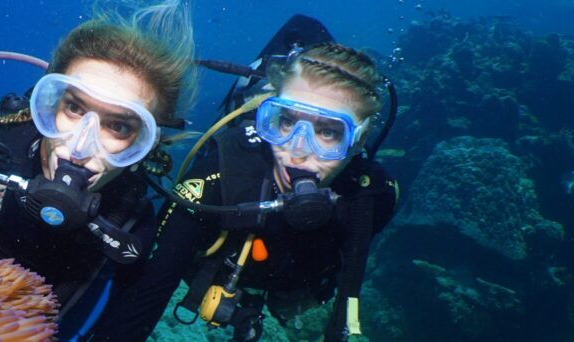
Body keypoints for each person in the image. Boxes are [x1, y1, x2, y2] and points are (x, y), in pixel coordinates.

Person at [89, 26, 399, 341]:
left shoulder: (374, 195)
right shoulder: (217, 178)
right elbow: (146, 293)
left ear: (359, 140)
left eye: (329, 132)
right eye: (287, 121)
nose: (298, 150)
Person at [0, 1, 197, 339]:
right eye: (74, 107)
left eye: (118, 127)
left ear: (144, 144)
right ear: (49, 103)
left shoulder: (132, 224)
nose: (80, 147)